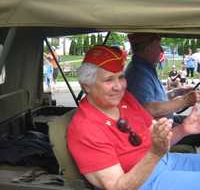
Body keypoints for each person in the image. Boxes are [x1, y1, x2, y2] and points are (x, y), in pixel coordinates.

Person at [67, 45, 200, 190]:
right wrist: (155, 154)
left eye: (121, 77)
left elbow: (158, 142)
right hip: (144, 183)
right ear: (86, 85)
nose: (118, 87)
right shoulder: (85, 128)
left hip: (166, 161)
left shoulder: (126, 100)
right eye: (108, 80)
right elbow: (117, 187)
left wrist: (183, 129)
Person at [125, 33, 198, 119]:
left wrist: (178, 91)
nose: (162, 50)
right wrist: (185, 100)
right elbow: (148, 109)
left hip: (166, 122)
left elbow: (158, 99)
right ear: (148, 49)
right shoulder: (138, 74)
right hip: (160, 129)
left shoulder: (145, 68)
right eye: (158, 46)